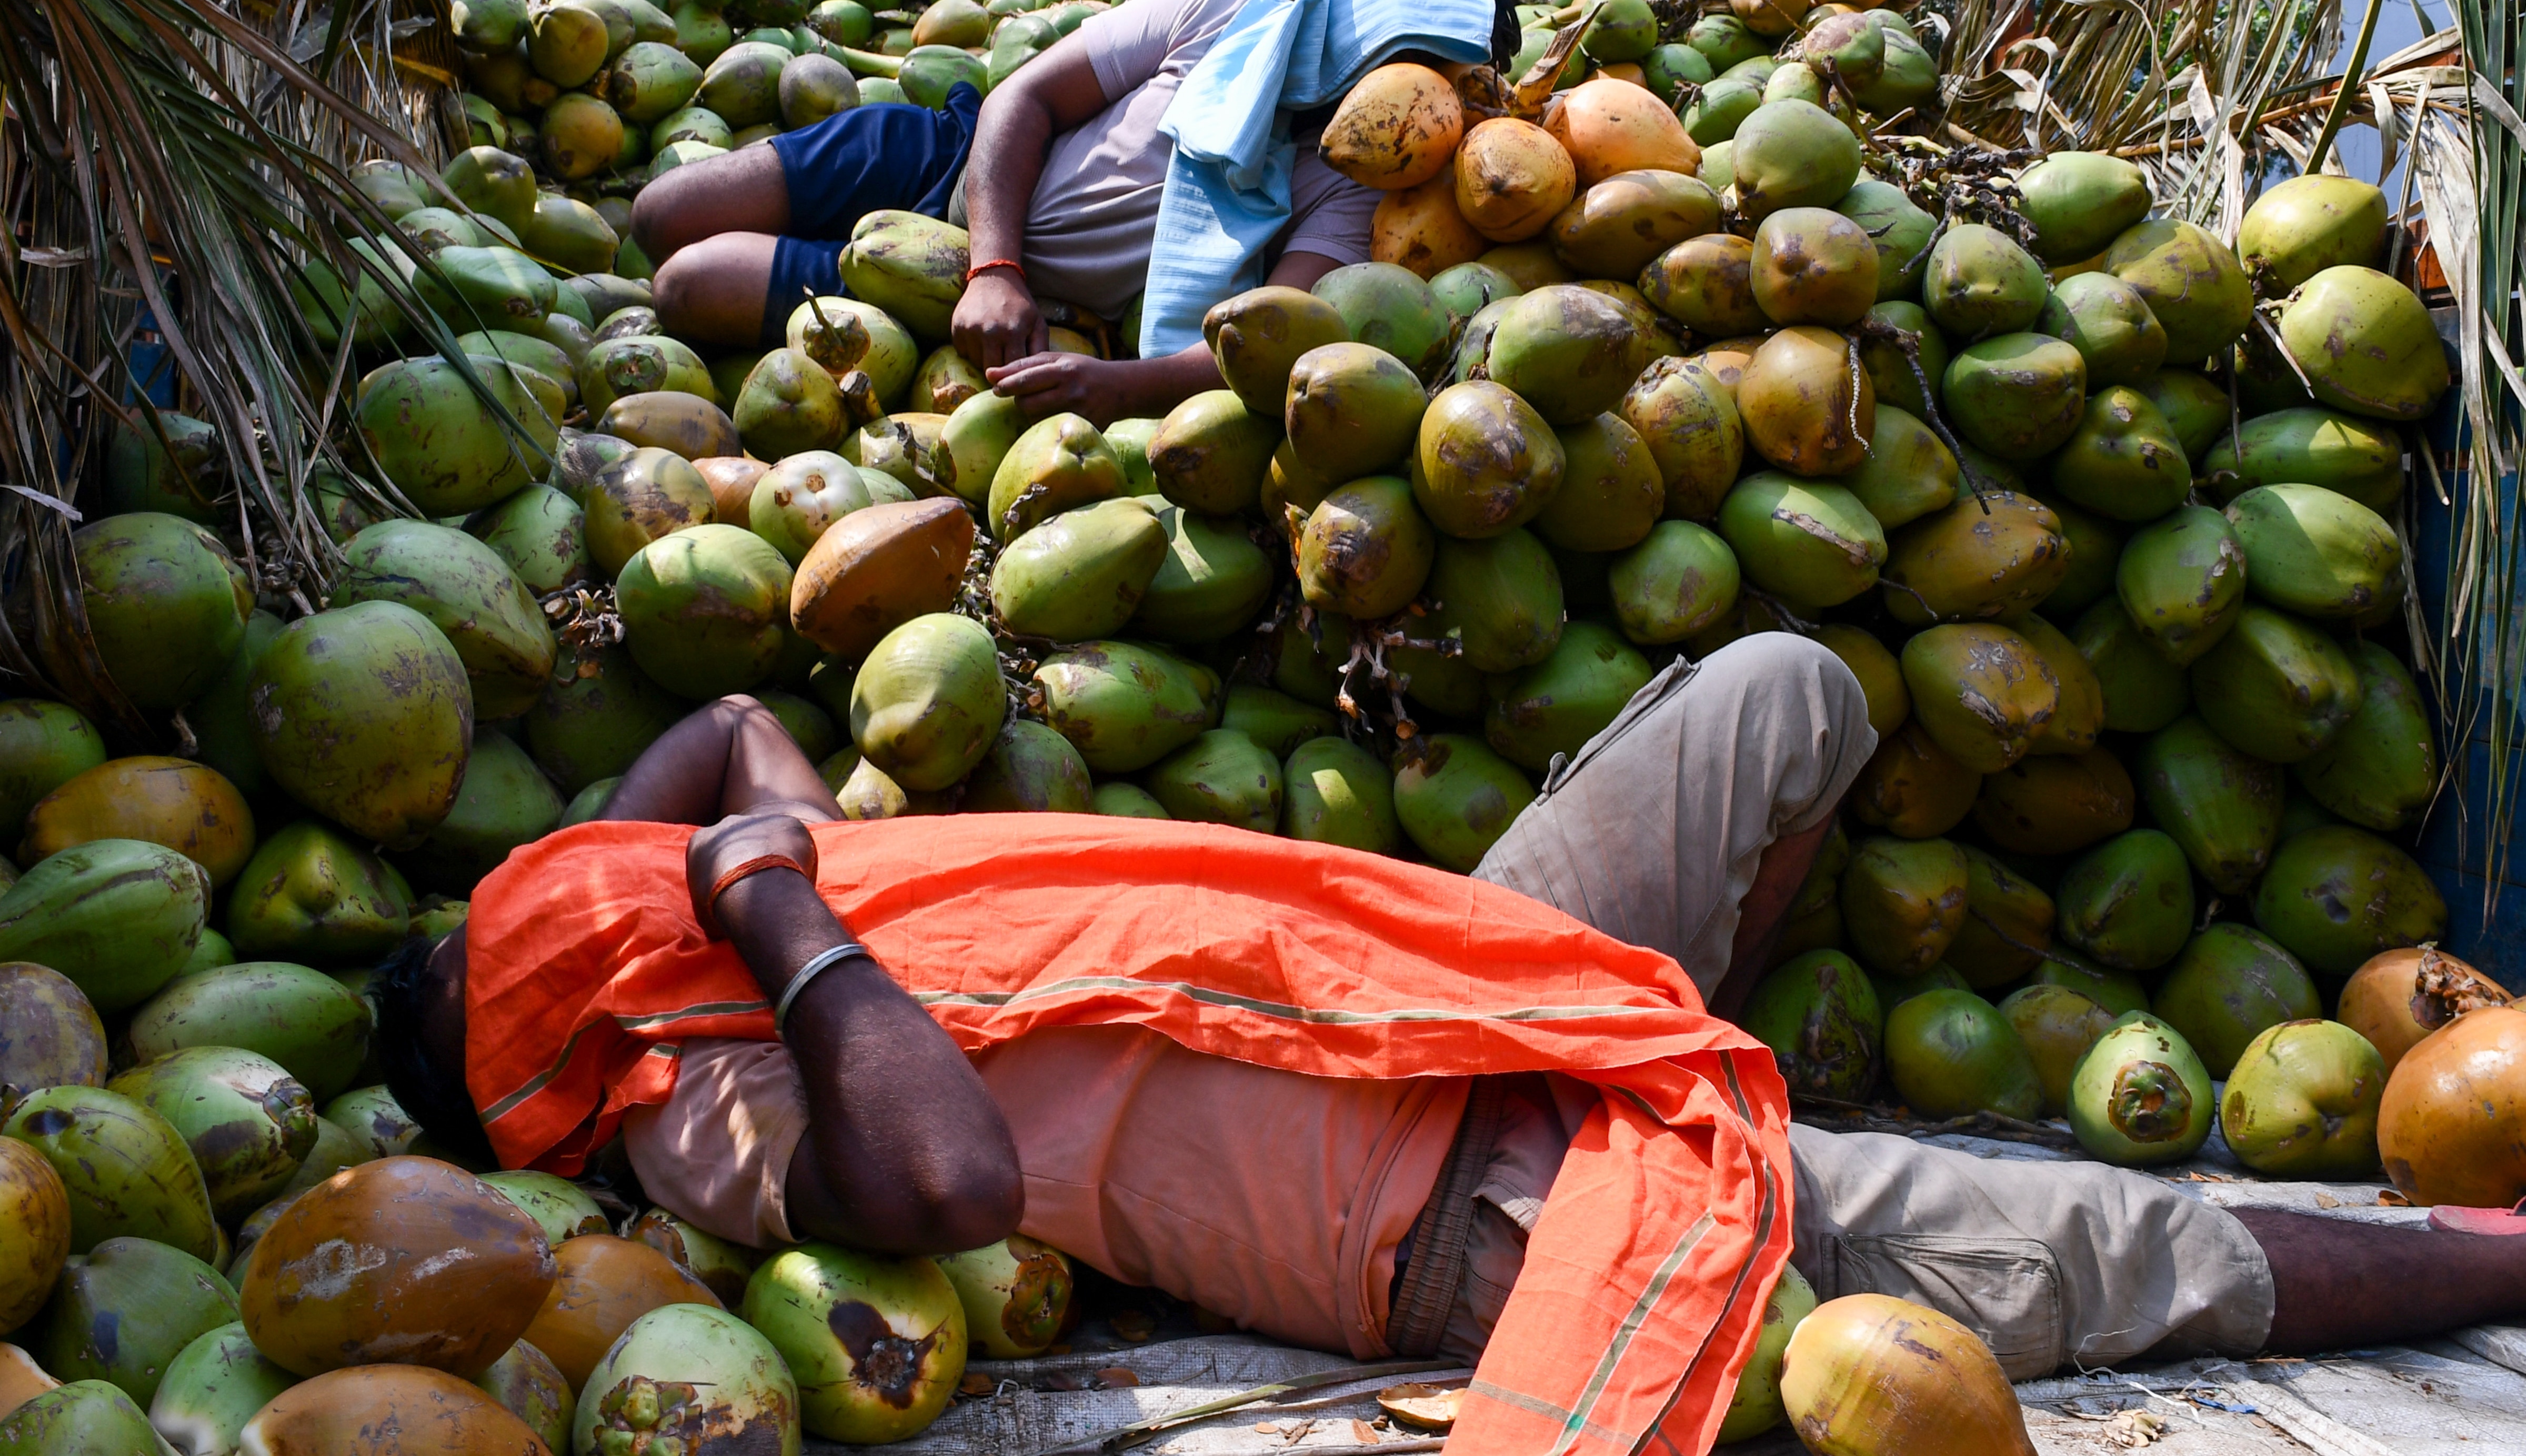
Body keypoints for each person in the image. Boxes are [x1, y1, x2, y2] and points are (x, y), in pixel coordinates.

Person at [375, 636, 2526, 1453]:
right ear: (554, 1045)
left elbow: (728, 739)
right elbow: (938, 1188)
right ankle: (2503, 1249)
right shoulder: (699, 1103)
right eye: (589, 921)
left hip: (1451, 965)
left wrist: (726, 844)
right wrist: (777, 916)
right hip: (1449, 1203)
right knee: (2103, 1248)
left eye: (608, 878)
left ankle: (1690, 1051)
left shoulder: (658, 912)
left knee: (1790, 680)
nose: (626, 893)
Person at [628, 0, 1511, 428]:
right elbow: (1028, 97)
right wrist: (995, 261)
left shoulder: (1360, 191)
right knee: (658, 215)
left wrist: (1119, 386)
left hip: (978, 301)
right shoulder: (1223, 7)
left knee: (685, 284)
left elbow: (1275, 329)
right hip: (950, 162)